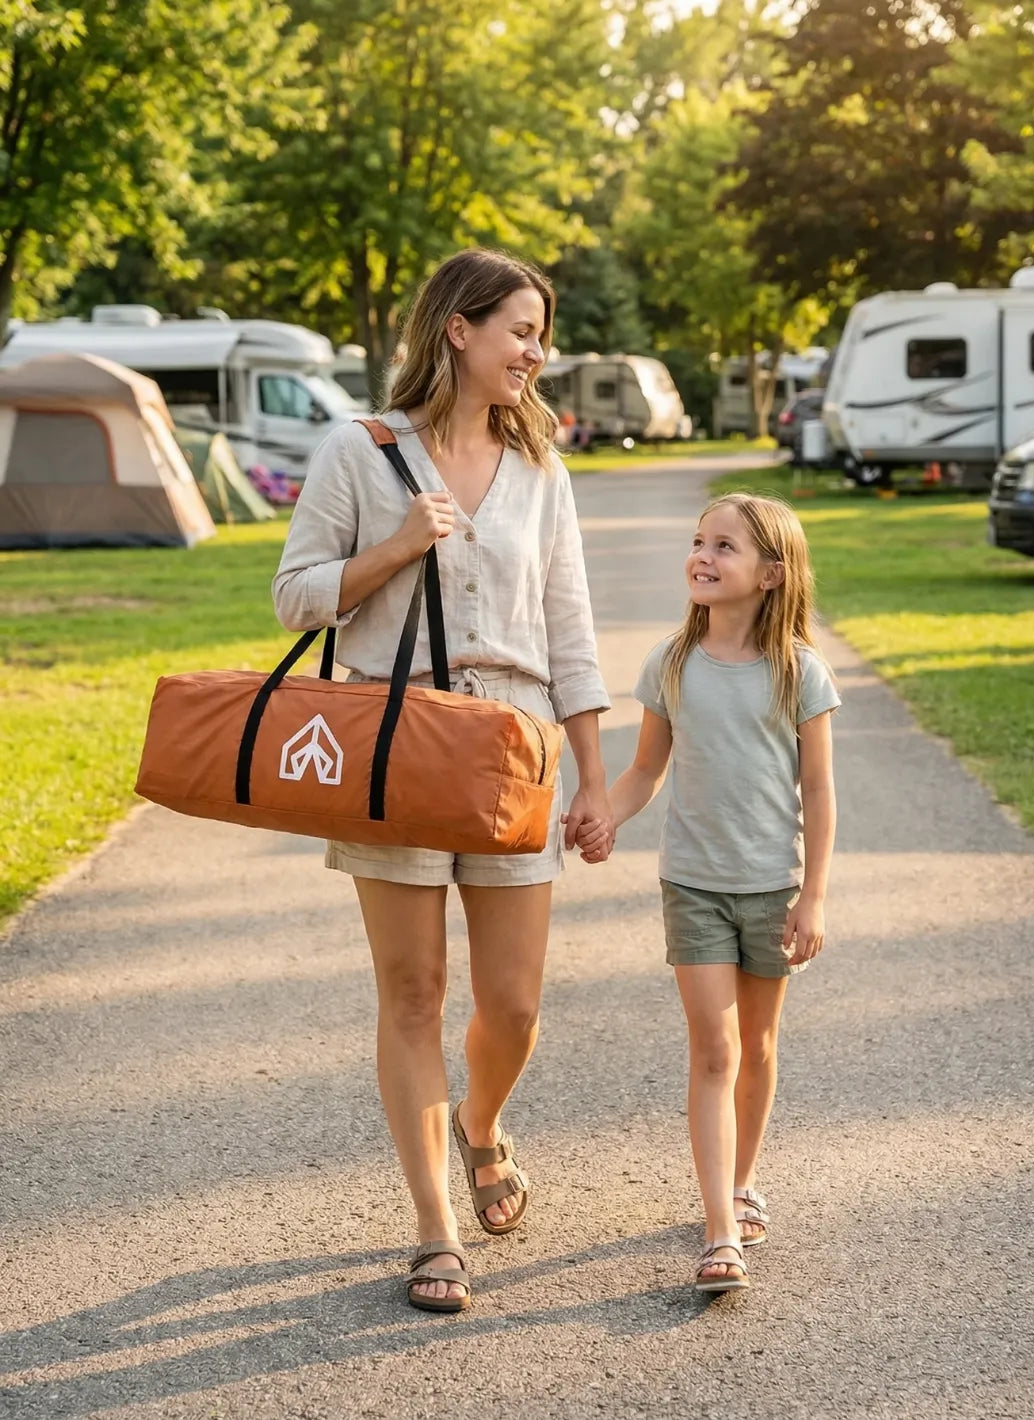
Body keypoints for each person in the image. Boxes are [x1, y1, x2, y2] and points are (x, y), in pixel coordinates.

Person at [272, 249, 611, 1314]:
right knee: (413, 990)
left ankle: (481, 1122)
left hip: (512, 745)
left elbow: (569, 630)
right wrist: (394, 547)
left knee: (513, 1003)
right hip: (395, 739)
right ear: (458, 329)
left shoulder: (541, 469)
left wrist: (594, 778)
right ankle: (434, 1230)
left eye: (540, 334)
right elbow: (294, 596)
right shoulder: (359, 450)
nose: (536, 352)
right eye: (521, 330)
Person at [576, 493, 839, 1295]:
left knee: (756, 1047)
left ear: (770, 573)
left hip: (771, 889)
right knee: (715, 1049)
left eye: (724, 546)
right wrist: (605, 815)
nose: (702, 555)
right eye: (698, 541)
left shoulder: (798, 671)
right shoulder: (671, 663)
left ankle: (742, 1180)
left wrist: (813, 897)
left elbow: (819, 791)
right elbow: (644, 770)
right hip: (692, 885)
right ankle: (719, 1228)